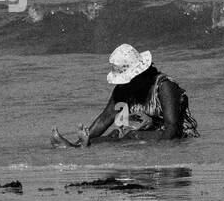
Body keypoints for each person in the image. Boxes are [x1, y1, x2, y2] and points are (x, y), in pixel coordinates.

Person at [54, 44, 199, 146]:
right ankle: (76, 146)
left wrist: (159, 154)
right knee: (115, 134)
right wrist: (84, 137)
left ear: (140, 73)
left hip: (178, 136)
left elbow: (172, 127)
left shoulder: (164, 87)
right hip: (149, 133)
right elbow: (105, 119)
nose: (124, 84)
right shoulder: (124, 89)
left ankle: (80, 146)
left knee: (131, 136)